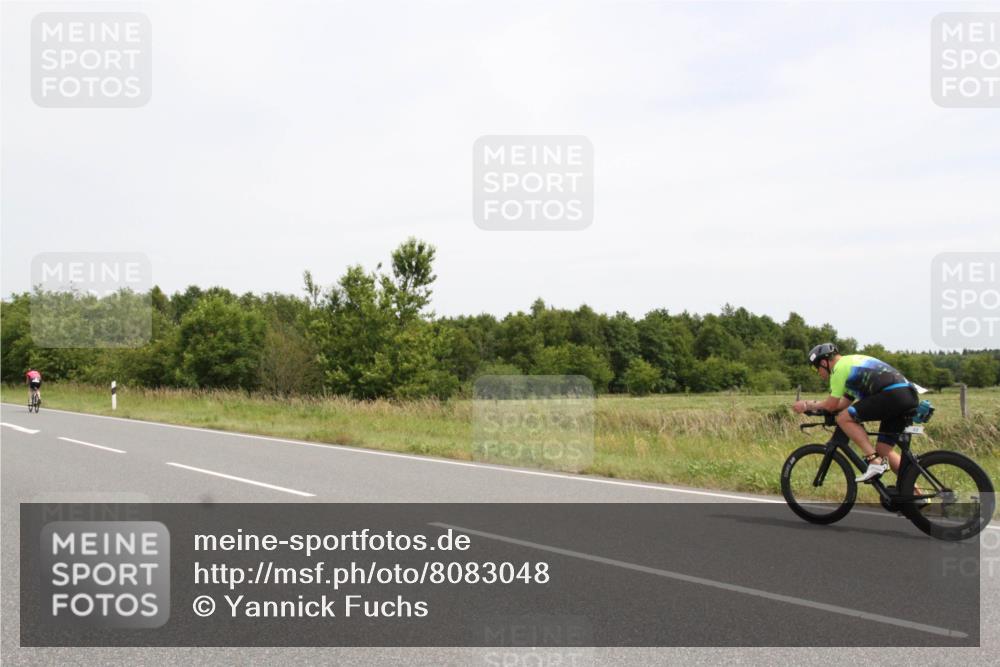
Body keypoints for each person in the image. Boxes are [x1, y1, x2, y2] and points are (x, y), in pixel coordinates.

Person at [792, 344, 918, 482]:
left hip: (893, 394)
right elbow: (842, 404)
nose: (818, 373)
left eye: (815, 369)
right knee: (883, 451)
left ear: (823, 362)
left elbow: (831, 405)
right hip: (905, 395)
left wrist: (806, 405)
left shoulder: (838, 369)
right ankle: (914, 492)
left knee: (844, 419)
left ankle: (875, 462)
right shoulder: (850, 364)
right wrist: (814, 408)